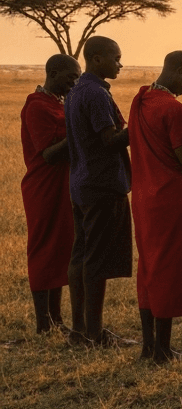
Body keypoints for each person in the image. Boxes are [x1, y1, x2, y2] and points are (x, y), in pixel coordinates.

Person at [128, 51, 182, 363]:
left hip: (144, 197)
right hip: (170, 199)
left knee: (149, 269)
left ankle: (149, 346)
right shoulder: (172, 108)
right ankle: (163, 349)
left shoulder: (141, 99)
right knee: (168, 271)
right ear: (180, 70)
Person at [65, 35, 138, 349]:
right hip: (101, 184)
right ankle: (94, 334)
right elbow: (109, 140)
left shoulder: (75, 91)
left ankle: (80, 329)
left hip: (81, 182)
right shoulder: (95, 94)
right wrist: (140, 126)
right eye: (116, 57)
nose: (120, 64)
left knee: (81, 255)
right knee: (95, 260)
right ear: (96, 59)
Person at [20, 53, 81, 335]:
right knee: (44, 248)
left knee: (61, 250)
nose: (74, 82)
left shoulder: (58, 103)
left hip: (63, 184)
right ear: (54, 74)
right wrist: (81, 134)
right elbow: (48, 154)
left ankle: (55, 319)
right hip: (43, 185)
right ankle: (43, 323)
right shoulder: (36, 106)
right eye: (71, 77)